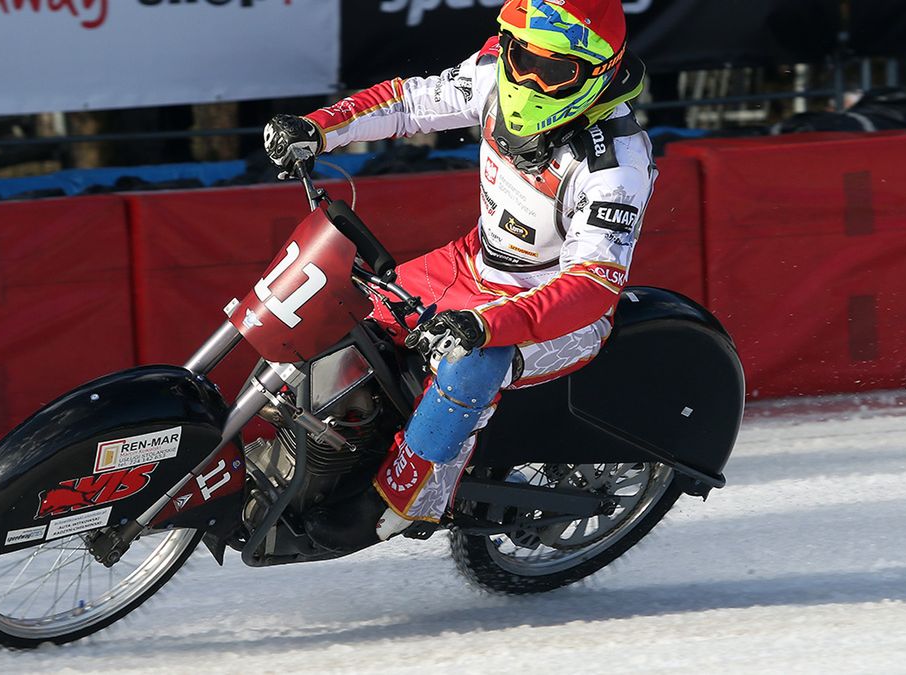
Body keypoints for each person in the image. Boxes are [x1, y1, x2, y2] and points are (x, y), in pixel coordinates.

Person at [263, 0, 656, 552]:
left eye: (555, 69)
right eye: (522, 56)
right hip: (475, 262)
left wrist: (487, 325)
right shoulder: (495, 72)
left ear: (598, 72)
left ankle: (402, 504)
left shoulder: (615, 163)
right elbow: (411, 102)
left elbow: (593, 285)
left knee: (471, 362)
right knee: (346, 310)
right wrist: (319, 129)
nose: (528, 78)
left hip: (558, 310)